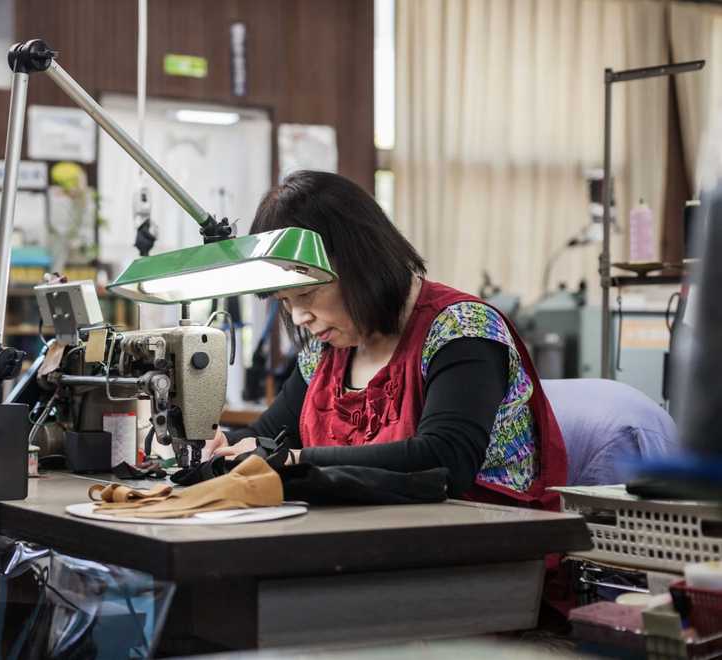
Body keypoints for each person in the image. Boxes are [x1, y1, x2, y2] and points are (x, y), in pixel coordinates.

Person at [203, 171, 567, 511]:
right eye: (285, 302)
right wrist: (215, 443)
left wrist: (294, 459)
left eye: (308, 295)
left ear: (359, 263)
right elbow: (264, 436)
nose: (298, 318)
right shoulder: (326, 353)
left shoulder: (462, 330)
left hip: (480, 548)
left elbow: (445, 460)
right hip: (374, 543)